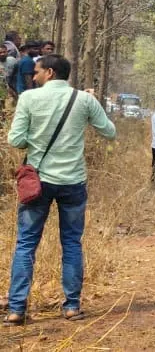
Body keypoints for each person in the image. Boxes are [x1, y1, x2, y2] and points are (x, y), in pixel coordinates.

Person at [3, 54, 116, 326]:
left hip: (37, 182)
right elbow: (110, 132)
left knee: (26, 243)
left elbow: (15, 139)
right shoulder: (84, 100)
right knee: (72, 243)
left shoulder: (30, 99)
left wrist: (37, 140)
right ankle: (72, 306)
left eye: (38, 71)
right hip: (72, 182)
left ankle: (17, 309)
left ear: (50, 73)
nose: (34, 76)